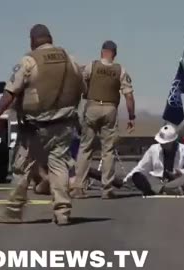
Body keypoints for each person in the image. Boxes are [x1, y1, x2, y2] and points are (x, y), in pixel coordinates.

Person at [0, 24, 85, 225]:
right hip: (63, 125)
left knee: (22, 167)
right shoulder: (71, 60)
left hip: (35, 127)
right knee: (59, 166)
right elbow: (82, 87)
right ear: (50, 39)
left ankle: (13, 210)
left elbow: (10, 92)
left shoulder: (29, 61)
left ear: (33, 41)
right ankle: (62, 212)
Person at [70, 40, 136, 199]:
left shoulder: (91, 66)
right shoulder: (120, 70)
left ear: (102, 52)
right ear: (115, 54)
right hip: (110, 109)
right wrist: (131, 116)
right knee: (108, 150)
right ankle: (107, 188)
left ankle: (79, 187)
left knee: (85, 148)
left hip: (92, 107)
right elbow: (129, 96)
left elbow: (80, 83)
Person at [124, 124, 184, 196]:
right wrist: (126, 179)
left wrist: (179, 172)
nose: (162, 144)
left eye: (165, 143)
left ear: (172, 141)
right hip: (156, 180)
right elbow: (141, 168)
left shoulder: (183, 149)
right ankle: (167, 190)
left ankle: (160, 190)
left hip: (175, 181)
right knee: (138, 176)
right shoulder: (153, 149)